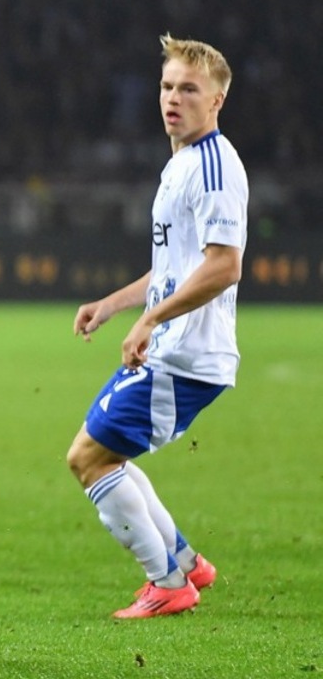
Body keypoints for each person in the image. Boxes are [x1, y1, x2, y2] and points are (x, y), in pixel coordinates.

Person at [66, 34, 247, 619]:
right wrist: (115, 303)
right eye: (168, 86)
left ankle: (167, 581)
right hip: (171, 346)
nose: (173, 98)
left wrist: (151, 319)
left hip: (187, 355)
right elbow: (174, 269)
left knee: (88, 458)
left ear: (216, 100)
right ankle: (186, 563)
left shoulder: (214, 166)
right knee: (105, 454)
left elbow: (224, 265)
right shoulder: (182, 163)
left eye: (189, 89)